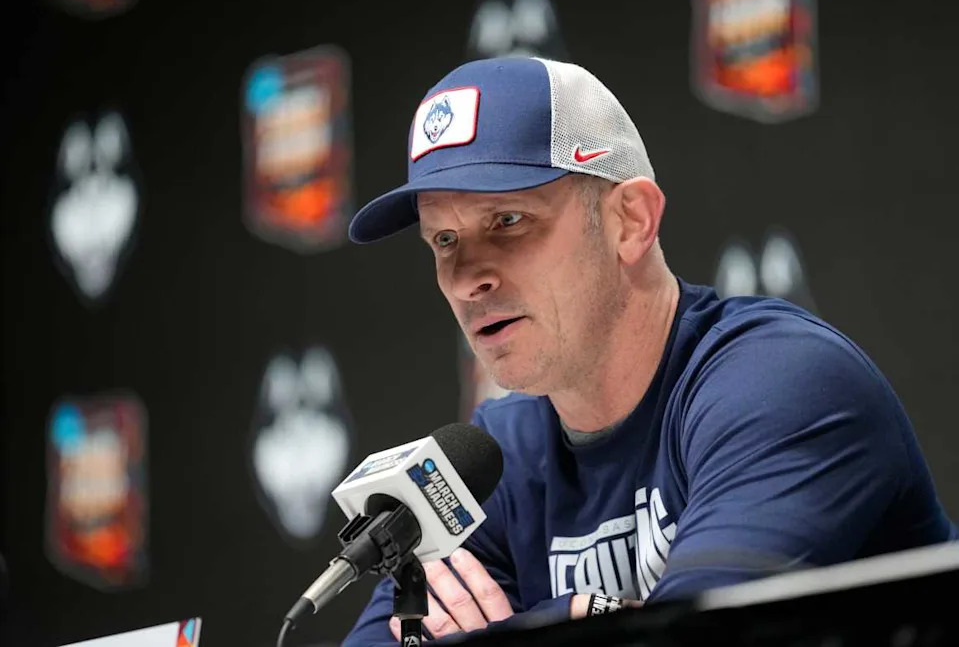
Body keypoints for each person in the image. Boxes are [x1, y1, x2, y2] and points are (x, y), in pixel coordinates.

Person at [342, 57, 958, 645]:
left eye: (508, 220)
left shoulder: (780, 384)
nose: (465, 277)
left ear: (631, 221)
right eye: (444, 239)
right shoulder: (502, 459)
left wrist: (532, 629)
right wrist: (577, 620)